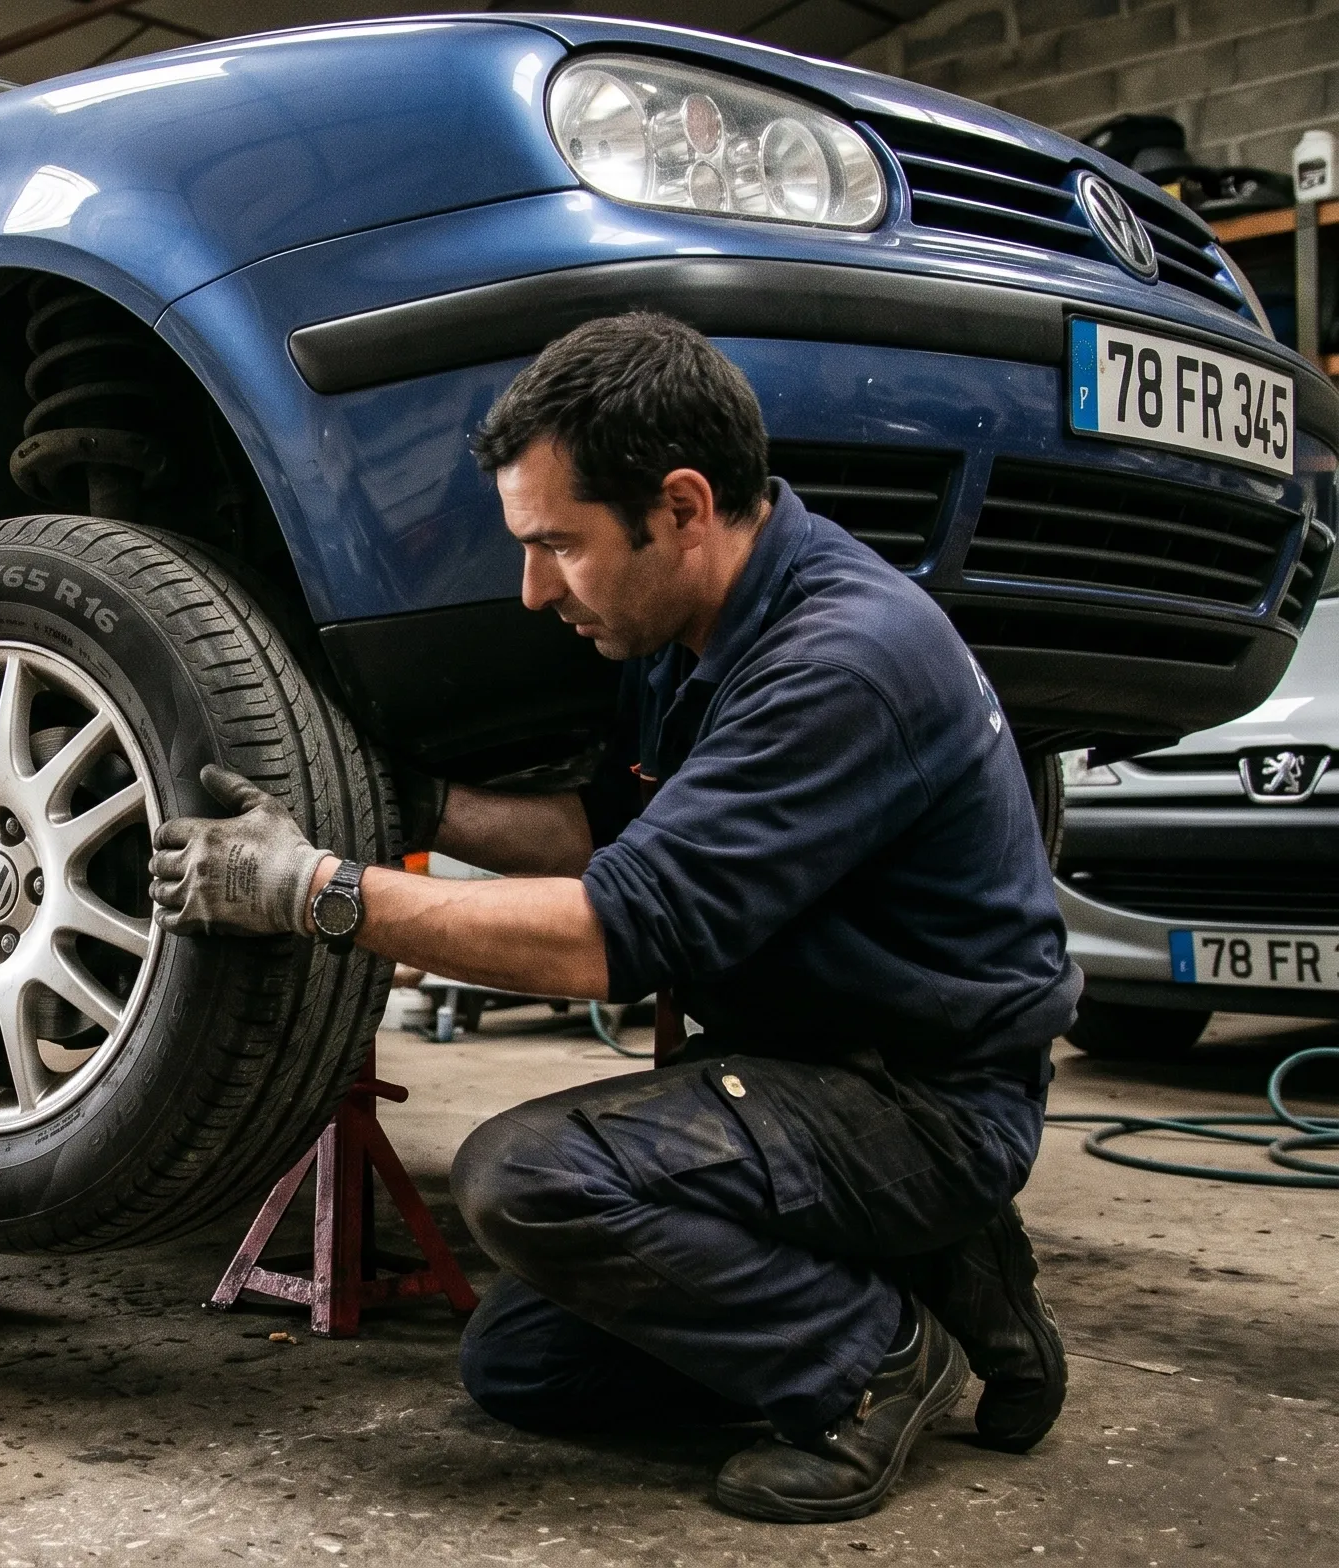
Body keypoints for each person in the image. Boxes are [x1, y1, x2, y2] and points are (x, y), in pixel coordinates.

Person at [145, 312, 1073, 1525]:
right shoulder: (694, 628)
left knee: (526, 1178)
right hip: (811, 1067)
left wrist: (317, 892)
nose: (534, 589)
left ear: (680, 506)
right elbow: (607, 827)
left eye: (556, 546)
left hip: (919, 1100)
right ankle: (941, 1273)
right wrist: (412, 805)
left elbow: (612, 930)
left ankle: (872, 1359)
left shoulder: (840, 659)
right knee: (523, 1367)